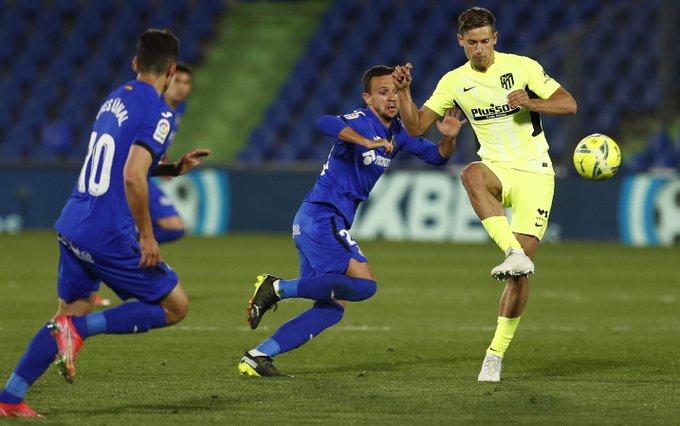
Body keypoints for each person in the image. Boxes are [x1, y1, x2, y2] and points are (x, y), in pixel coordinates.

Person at [0, 29, 210, 418]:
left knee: (70, 310)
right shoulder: (160, 112)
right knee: (175, 306)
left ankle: (9, 397)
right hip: (106, 231)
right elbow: (132, 176)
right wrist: (147, 236)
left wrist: (167, 168)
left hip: (74, 221)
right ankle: (78, 333)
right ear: (169, 69)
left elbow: (118, 164)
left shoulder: (115, 98)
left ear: (135, 64)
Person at [237, 65, 467, 377]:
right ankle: (277, 288)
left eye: (394, 92)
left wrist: (449, 138)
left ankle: (258, 355)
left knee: (331, 309)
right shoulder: (362, 120)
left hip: (319, 220)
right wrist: (364, 142)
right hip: (323, 215)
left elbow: (438, 157)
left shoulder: (398, 132)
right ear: (368, 98)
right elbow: (324, 122)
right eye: (382, 92)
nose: (390, 98)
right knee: (365, 285)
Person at [392, 6, 577, 382]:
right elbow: (414, 127)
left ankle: (494, 354)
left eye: (485, 41)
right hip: (497, 170)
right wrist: (404, 90)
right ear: (460, 41)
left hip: (536, 174)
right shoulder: (454, 81)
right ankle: (511, 252)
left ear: (496, 38)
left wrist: (532, 103)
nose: (479, 49)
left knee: (520, 277)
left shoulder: (522, 67)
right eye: (471, 42)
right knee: (471, 173)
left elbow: (568, 104)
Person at [148, 61, 195, 244]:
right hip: (133, 176)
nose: (182, 87)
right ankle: (129, 252)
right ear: (167, 82)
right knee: (174, 227)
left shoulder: (179, 108)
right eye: (177, 81)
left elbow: (161, 139)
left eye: (186, 82)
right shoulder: (154, 108)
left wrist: (164, 160)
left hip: (146, 174)